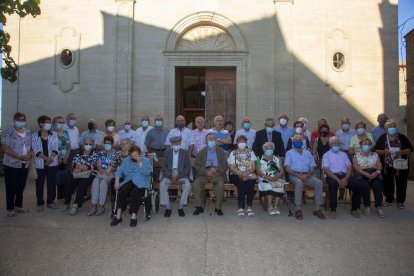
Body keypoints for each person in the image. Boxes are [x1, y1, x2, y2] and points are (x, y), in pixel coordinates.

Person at [284, 135, 326, 220]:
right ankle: (298, 209)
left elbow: (312, 167)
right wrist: (299, 176)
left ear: (303, 142)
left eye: (300, 140)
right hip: (294, 175)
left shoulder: (307, 153)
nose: (298, 141)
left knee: (319, 183)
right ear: (293, 142)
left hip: (307, 175)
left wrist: (307, 175)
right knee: (299, 183)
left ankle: (317, 209)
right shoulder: (289, 153)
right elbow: (287, 168)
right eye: (295, 140)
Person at [374, 119, 413, 209]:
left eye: (393, 126)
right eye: (390, 127)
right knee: (387, 183)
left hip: (401, 165)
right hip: (387, 165)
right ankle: (389, 199)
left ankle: (400, 201)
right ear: (385, 129)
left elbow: (410, 149)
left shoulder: (402, 137)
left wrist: (402, 151)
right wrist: (384, 151)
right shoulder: (383, 137)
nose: (392, 128)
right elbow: (376, 150)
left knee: (402, 183)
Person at [111, 146, 152, 227]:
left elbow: (147, 173)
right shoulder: (127, 160)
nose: (134, 157)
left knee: (135, 192)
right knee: (122, 190)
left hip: (141, 182)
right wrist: (117, 181)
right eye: (132, 155)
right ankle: (118, 215)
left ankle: (134, 216)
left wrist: (140, 163)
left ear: (139, 154)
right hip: (129, 181)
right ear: (130, 155)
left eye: (136, 155)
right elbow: (119, 170)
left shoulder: (145, 160)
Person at [2, 112, 32, 217]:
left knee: (21, 186)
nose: (21, 122)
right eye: (19, 120)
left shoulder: (27, 131)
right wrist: (19, 157)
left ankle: (18, 206)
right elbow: (6, 148)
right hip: (11, 164)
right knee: (11, 186)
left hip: (25, 164)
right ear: (14, 120)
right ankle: (10, 208)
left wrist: (30, 154)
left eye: (23, 120)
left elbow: (29, 145)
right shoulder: (9, 131)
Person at [322, 136, 360, 219]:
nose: (336, 145)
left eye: (338, 143)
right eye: (334, 143)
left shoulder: (344, 154)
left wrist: (346, 178)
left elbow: (349, 167)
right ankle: (333, 210)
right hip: (332, 175)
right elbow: (326, 169)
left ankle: (354, 209)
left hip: (344, 175)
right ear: (330, 144)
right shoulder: (326, 155)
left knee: (356, 184)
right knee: (332, 184)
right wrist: (338, 180)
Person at [192, 133, 228, 216]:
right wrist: (205, 171)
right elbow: (197, 165)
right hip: (204, 174)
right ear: (206, 141)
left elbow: (225, 165)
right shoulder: (201, 152)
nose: (211, 141)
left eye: (213, 139)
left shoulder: (221, 151)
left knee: (220, 185)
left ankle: (218, 208)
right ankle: (199, 207)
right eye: (209, 139)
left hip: (217, 173)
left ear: (215, 141)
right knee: (196, 184)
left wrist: (216, 169)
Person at [63, 137, 97, 215]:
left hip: (89, 174)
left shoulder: (95, 154)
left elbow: (92, 166)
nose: (88, 145)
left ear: (93, 145)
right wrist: (78, 167)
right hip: (77, 173)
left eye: (90, 144)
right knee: (70, 184)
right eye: (86, 144)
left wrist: (80, 168)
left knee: (82, 185)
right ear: (83, 144)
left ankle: (75, 205)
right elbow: (73, 164)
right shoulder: (79, 153)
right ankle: (67, 203)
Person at [32, 115, 59, 211]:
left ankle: (50, 202)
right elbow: (36, 150)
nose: (49, 124)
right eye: (47, 122)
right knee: (39, 184)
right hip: (40, 163)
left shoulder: (54, 134)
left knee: (51, 183)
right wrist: (46, 159)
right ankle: (40, 203)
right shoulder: (35, 135)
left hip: (52, 163)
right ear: (41, 124)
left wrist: (50, 159)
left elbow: (56, 148)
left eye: (49, 122)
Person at [352, 138, 385, 217]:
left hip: (374, 173)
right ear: (361, 145)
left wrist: (376, 173)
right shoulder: (355, 155)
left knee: (377, 185)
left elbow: (380, 166)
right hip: (362, 173)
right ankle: (367, 206)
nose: (366, 145)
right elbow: (355, 167)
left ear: (371, 146)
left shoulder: (375, 154)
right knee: (364, 185)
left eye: (368, 144)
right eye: (364, 144)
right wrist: (364, 173)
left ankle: (379, 207)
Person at [160, 136, 192, 217]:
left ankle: (181, 206)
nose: (176, 144)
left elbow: (188, 166)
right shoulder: (167, 152)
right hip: (170, 174)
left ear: (180, 143)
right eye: (174, 143)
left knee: (187, 184)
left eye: (178, 143)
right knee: (162, 184)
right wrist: (170, 176)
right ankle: (168, 207)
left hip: (181, 174)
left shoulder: (185, 153)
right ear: (171, 144)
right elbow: (164, 167)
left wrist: (179, 176)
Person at [228, 135, 257, 218]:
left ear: (246, 143)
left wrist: (246, 173)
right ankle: (241, 208)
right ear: (237, 143)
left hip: (248, 174)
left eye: (243, 142)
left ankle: (249, 207)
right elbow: (232, 168)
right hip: (235, 174)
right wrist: (240, 174)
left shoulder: (251, 152)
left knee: (250, 183)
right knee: (241, 183)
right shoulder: (233, 153)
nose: (242, 143)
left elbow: (253, 167)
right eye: (240, 142)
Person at [87, 136, 117, 216]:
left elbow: (116, 165)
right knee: (95, 182)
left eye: (109, 143)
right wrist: (99, 167)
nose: (107, 145)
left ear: (112, 144)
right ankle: (93, 206)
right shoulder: (100, 153)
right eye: (105, 143)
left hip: (109, 174)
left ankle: (101, 206)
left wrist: (110, 169)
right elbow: (96, 163)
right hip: (100, 172)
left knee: (103, 183)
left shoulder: (116, 154)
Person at [256, 142, 285, 216]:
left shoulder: (277, 158)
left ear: (273, 149)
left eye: (271, 148)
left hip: (276, 177)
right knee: (269, 186)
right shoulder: (259, 158)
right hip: (264, 177)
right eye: (267, 148)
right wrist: (267, 177)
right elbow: (258, 171)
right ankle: (270, 207)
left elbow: (281, 170)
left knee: (280, 185)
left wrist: (277, 176)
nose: (269, 150)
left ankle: (276, 206)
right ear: (264, 149)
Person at [53, 116, 71, 200]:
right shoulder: (51, 134)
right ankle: (52, 198)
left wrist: (66, 157)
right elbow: (51, 148)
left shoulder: (66, 132)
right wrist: (57, 158)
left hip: (65, 159)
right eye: (59, 122)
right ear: (54, 124)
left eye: (62, 122)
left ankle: (62, 196)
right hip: (54, 160)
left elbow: (69, 145)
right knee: (54, 178)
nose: (61, 124)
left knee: (64, 177)